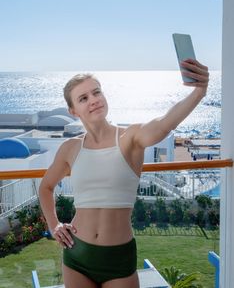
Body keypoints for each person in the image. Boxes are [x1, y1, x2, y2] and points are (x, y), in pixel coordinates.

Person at [39, 58, 209, 288]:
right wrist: (54, 225)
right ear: (73, 110)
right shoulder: (70, 148)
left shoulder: (130, 138)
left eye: (96, 92)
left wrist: (199, 92)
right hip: (76, 254)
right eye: (83, 98)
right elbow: (46, 187)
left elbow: (164, 123)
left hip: (118, 258)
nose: (94, 100)